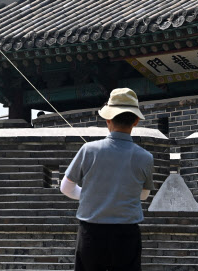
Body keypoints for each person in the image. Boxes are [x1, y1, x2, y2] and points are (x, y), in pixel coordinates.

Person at [60, 88, 154, 271]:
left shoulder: (89, 150)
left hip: (91, 233)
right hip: (127, 234)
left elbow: (66, 188)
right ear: (135, 121)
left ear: (108, 120)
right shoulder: (146, 157)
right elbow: (142, 196)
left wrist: (92, 195)